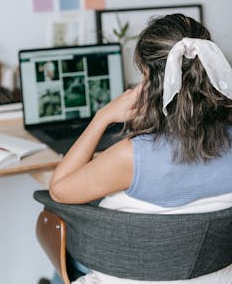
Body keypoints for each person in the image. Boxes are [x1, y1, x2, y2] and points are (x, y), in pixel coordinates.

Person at [49, 14, 232, 284]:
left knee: (59, 245)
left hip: (126, 278)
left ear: (151, 82)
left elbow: (58, 189)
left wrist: (103, 117)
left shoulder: (131, 156)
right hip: (215, 276)